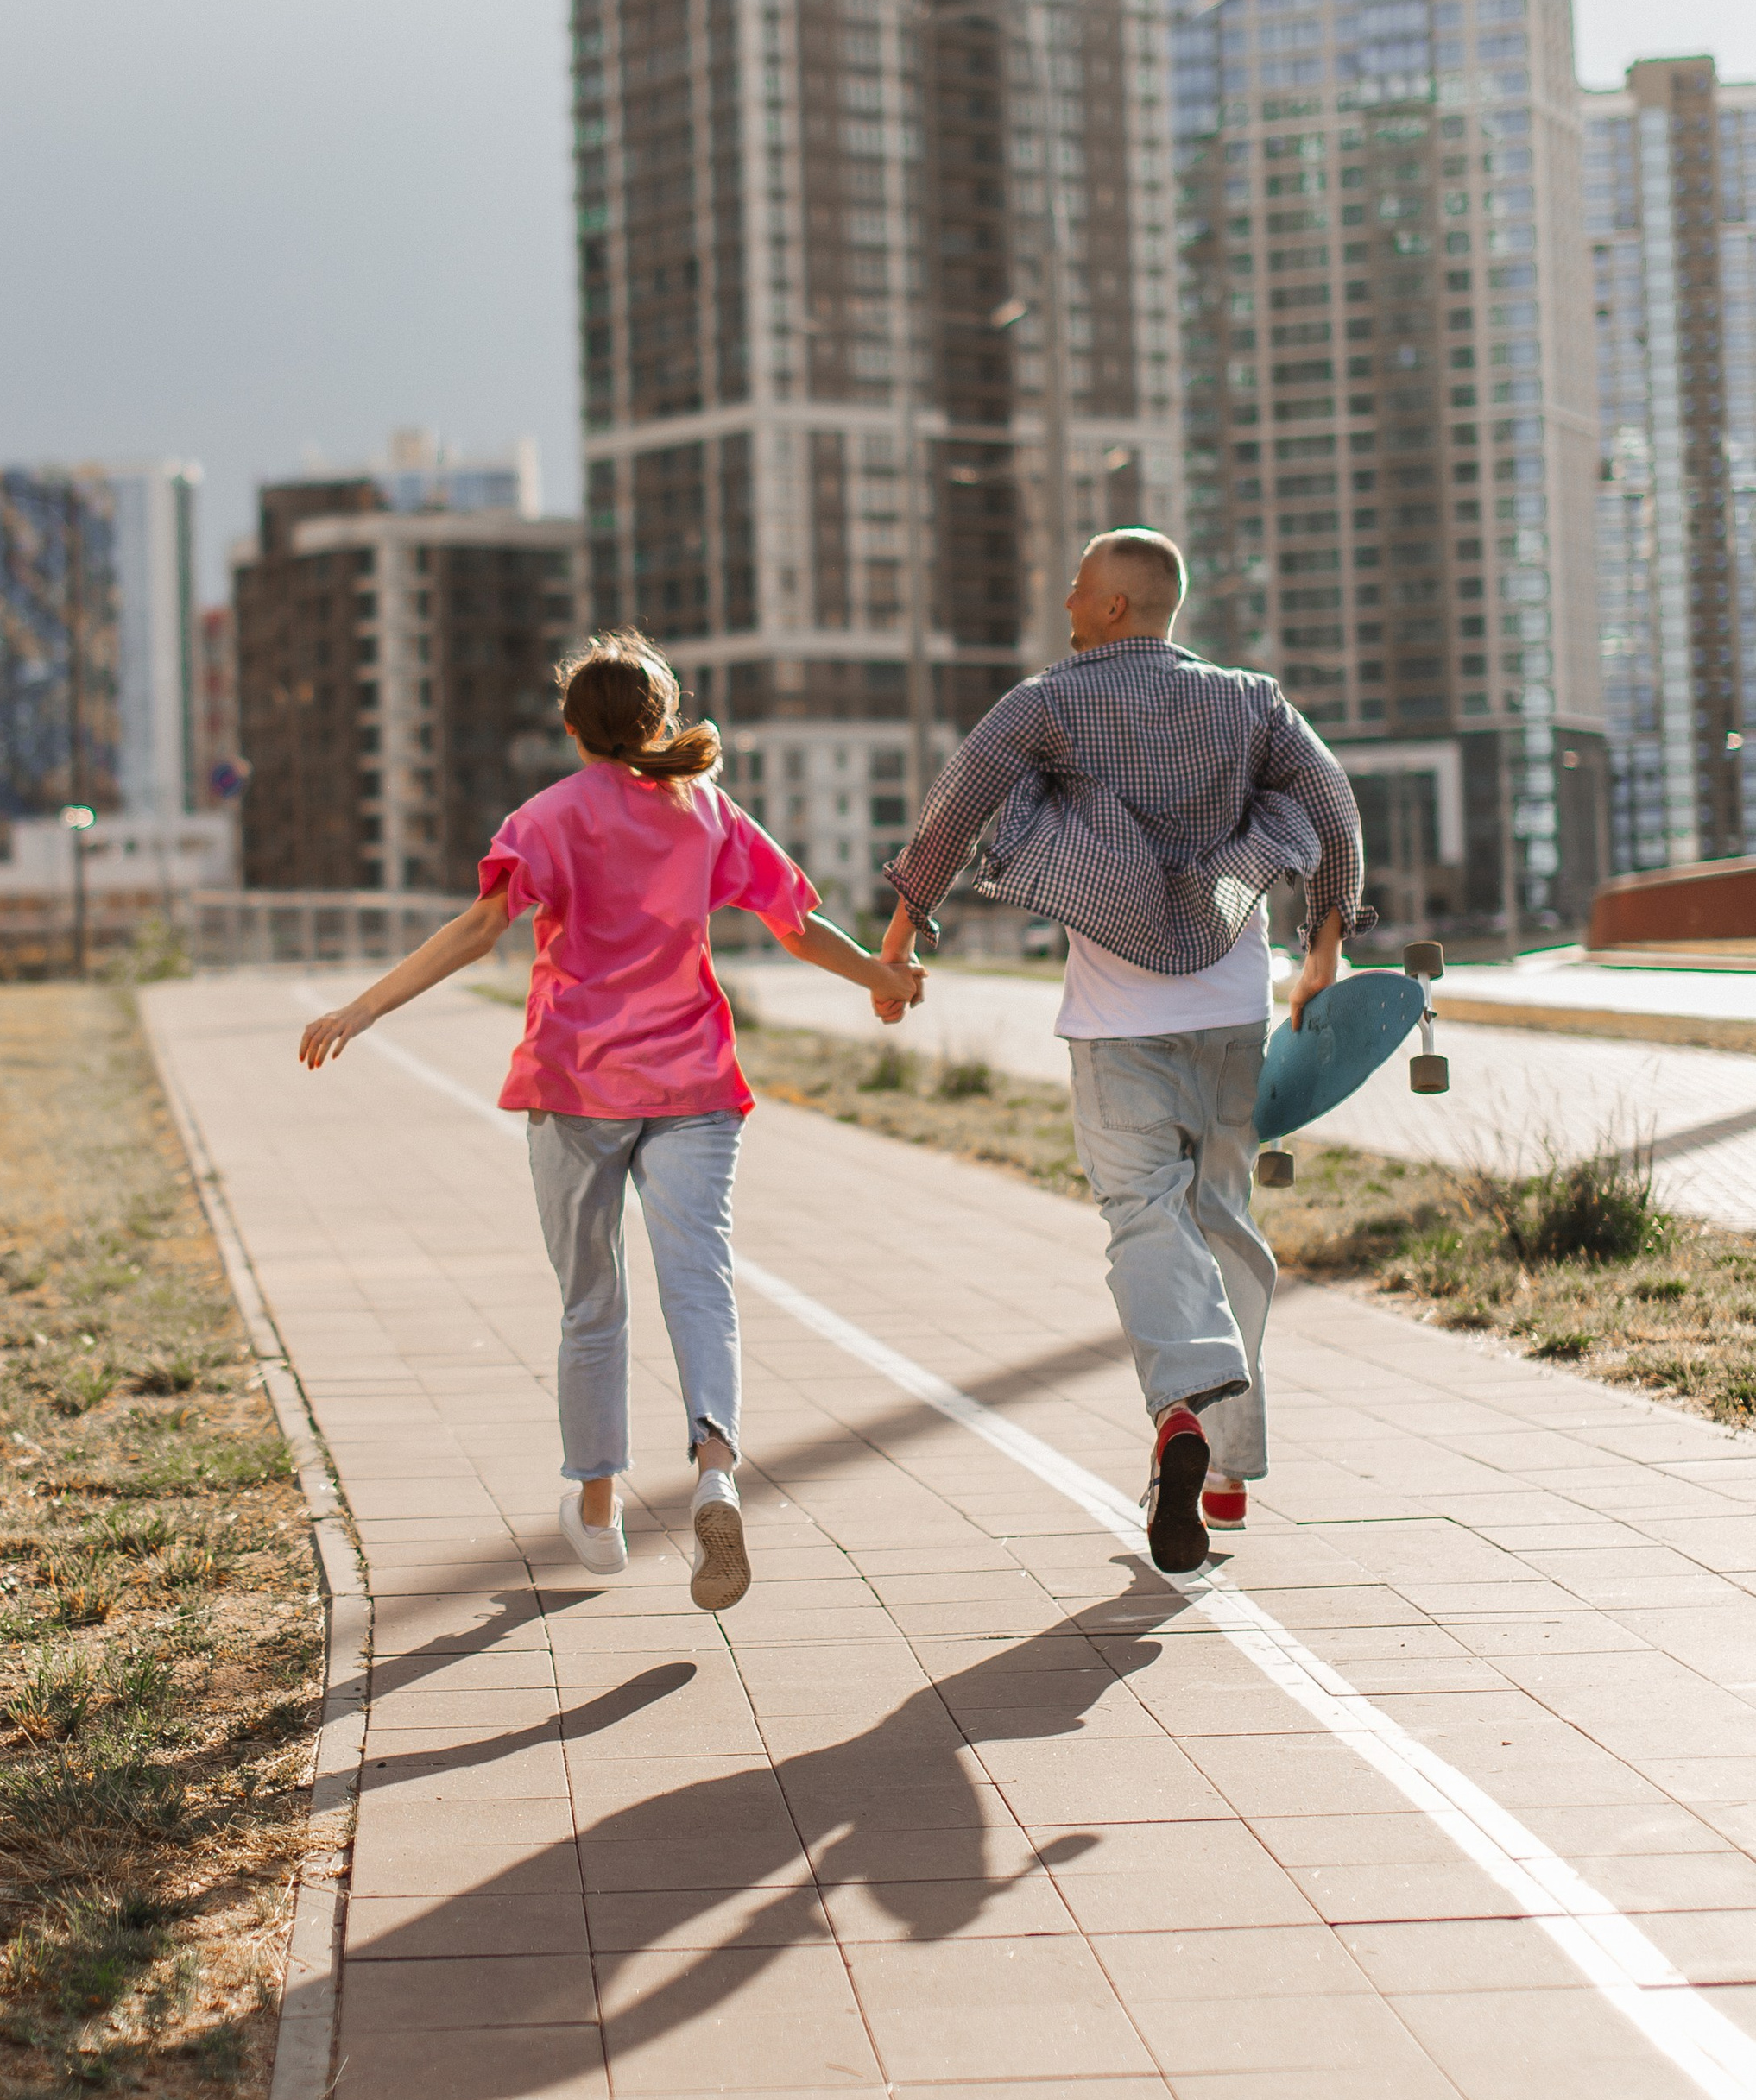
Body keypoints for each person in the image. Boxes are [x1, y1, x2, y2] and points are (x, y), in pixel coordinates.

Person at [299, 628, 925, 1609]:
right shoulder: (706, 810)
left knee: (593, 1302)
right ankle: (714, 1469)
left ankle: (597, 1512)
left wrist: (361, 1008)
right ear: (659, 720)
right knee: (700, 1281)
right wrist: (883, 977)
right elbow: (795, 924)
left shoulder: (544, 819)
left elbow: (477, 930)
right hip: (693, 1086)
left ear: (568, 724)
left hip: (575, 1085)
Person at [878, 530, 1367, 1573]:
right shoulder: (1252, 701)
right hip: (1233, 1007)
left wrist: (905, 921)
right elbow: (1330, 802)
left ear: (1111, 608)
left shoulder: (1046, 702)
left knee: (1143, 1215)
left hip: (1114, 1022)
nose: (1063, 593)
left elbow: (961, 797)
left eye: (1078, 584)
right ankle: (1228, 1474)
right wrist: (1324, 941)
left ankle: (1182, 1411)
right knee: (1221, 1217)